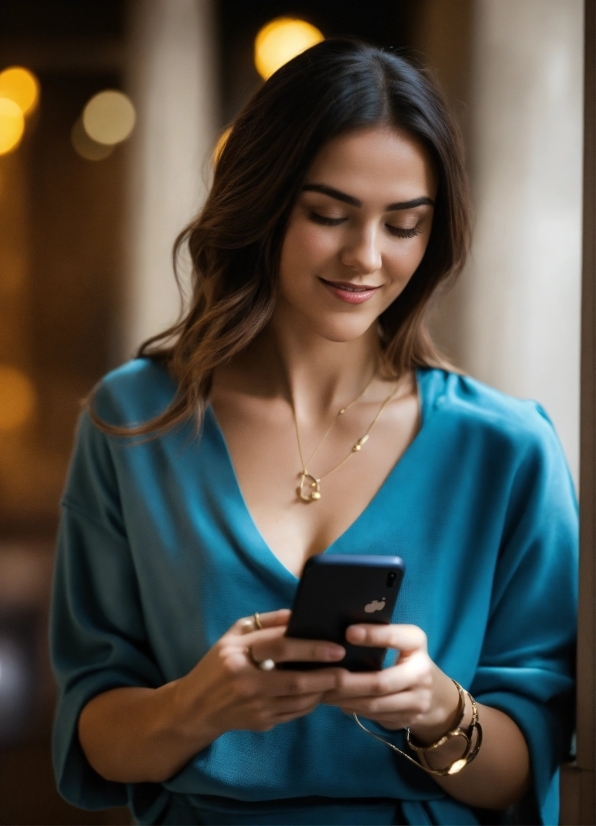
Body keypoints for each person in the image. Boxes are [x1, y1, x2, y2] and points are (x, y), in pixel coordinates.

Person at [50, 39, 577, 826]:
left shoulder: (508, 449)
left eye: (404, 224)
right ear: (262, 203)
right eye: (328, 214)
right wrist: (200, 704)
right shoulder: (133, 420)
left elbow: (521, 776)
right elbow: (95, 734)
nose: (366, 257)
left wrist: (435, 707)